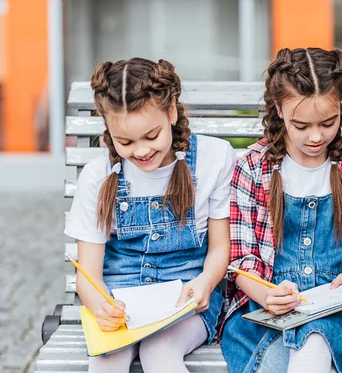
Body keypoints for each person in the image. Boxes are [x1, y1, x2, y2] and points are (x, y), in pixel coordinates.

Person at [64, 58, 236, 372]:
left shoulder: (214, 158)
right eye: (125, 141)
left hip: (186, 300)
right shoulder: (98, 175)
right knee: (107, 363)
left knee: (161, 351)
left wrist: (206, 281)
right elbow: (88, 274)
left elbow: (220, 247)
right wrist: (102, 306)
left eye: (151, 135)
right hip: (121, 301)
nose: (141, 151)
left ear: (172, 111)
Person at [220, 47, 342, 373]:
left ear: (341, 107)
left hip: (338, 309)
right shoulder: (253, 168)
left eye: (328, 122)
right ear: (279, 109)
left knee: (315, 341)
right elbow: (242, 259)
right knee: (276, 362)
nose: (316, 136)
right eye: (301, 125)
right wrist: (265, 294)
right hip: (264, 306)